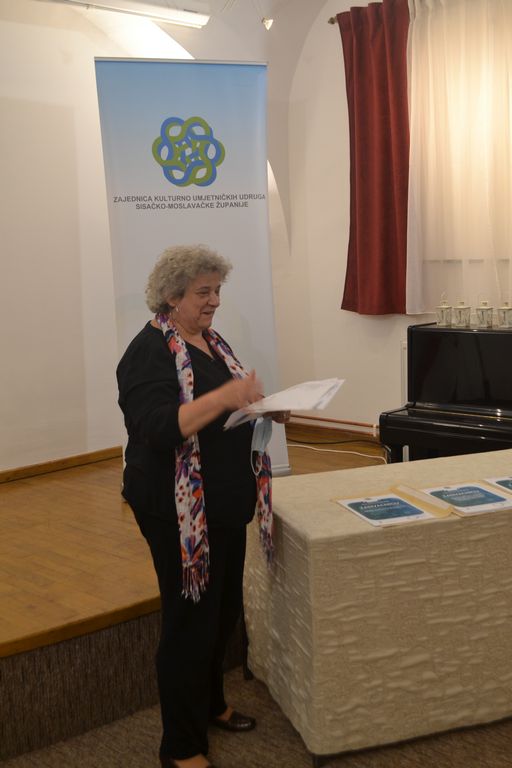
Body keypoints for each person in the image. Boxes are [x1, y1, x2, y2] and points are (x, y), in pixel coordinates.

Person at [117, 244, 287, 768]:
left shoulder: (210, 341)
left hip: (225, 502)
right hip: (177, 512)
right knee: (190, 622)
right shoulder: (147, 352)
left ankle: (210, 703)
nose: (215, 301)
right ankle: (181, 746)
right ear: (172, 297)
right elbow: (160, 427)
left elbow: (226, 410)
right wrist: (226, 397)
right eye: (203, 292)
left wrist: (267, 408)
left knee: (222, 611)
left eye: (217, 290)